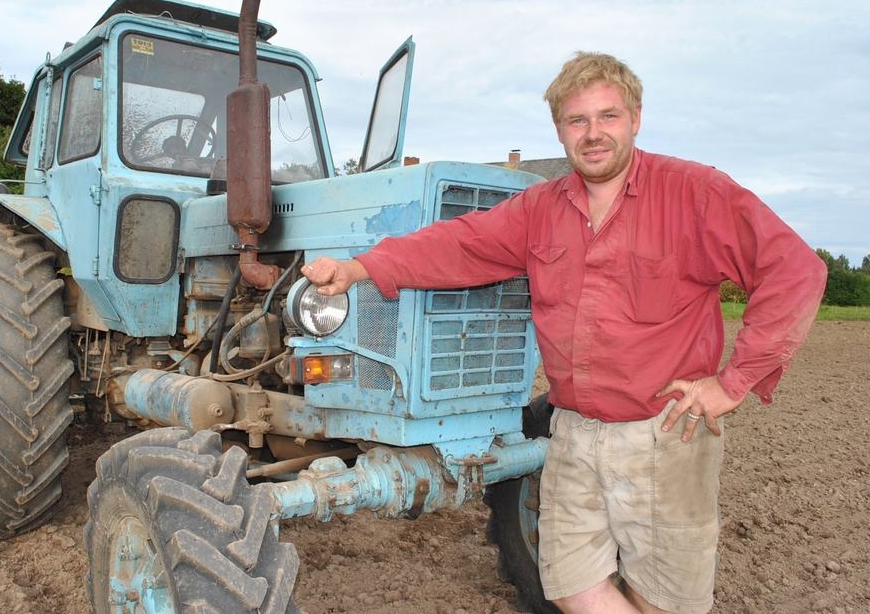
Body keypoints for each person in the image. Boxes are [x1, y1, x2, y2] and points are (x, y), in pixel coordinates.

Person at [301, 51, 826, 614]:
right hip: (573, 431)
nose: (593, 133)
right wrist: (360, 267)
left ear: (636, 118)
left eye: (608, 116)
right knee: (571, 585)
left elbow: (794, 270)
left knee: (663, 601)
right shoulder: (541, 208)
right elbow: (461, 244)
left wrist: (732, 382)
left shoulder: (694, 193)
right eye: (578, 120)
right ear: (560, 130)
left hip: (661, 434)